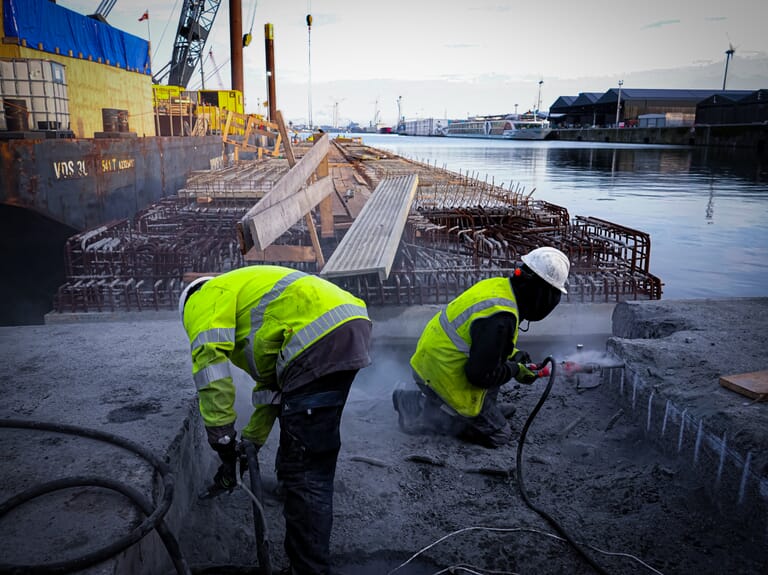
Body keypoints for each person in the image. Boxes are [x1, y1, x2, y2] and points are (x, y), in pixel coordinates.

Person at [179, 265, 372, 575]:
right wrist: (250, 443)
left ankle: (309, 570)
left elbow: (209, 362)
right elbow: (275, 393)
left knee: (306, 469)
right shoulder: (248, 296)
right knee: (305, 439)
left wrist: (222, 436)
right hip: (350, 325)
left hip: (316, 337)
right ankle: (292, 490)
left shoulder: (204, 297)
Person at [392, 246, 570, 448]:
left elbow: (485, 343)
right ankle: (419, 410)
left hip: (435, 361)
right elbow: (479, 376)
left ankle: (485, 409)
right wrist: (514, 370)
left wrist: (515, 356)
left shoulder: (500, 288)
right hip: (442, 375)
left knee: (499, 366)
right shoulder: (501, 318)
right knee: (499, 435)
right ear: (541, 293)